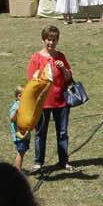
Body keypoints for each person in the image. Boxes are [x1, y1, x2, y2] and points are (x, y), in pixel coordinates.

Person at [26, 26, 76, 173]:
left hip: (61, 101)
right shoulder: (36, 58)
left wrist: (63, 70)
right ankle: (38, 162)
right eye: (48, 39)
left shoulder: (61, 56)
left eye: (54, 40)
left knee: (62, 133)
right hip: (43, 102)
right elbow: (30, 80)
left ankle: (63, 161)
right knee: (41, 133)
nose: (51, 42)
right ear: (43, 40)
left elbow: (69, 79)